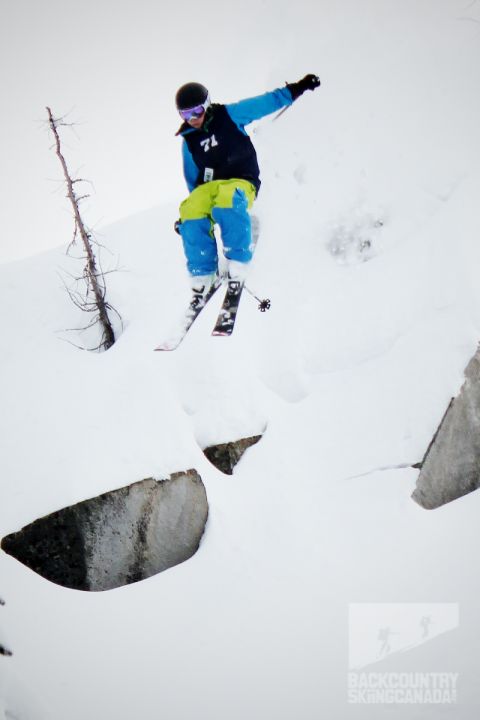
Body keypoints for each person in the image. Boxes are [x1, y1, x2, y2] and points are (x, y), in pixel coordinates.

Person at [175, 74, 320, 298]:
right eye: (186, 114)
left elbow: (262, 104)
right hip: (210, 187)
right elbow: (193, 181)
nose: (192, 118)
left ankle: (238, 260)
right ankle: (202, 273)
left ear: (206, 105)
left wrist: (296, 89)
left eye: (197, 111)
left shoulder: (229, 115)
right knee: (190, 206)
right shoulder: (189, 142)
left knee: (227, 196)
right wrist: (188, 220)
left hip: (242, 180)